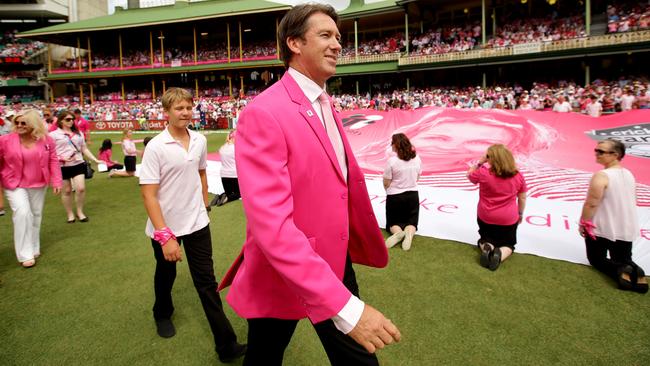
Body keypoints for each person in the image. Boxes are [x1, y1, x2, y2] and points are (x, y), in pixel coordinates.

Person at [219, 4, 401, 365]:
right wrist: (347, 308)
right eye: (325, 35)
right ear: (294, 43)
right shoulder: (264, 112)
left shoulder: (325, 103)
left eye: (338, 37)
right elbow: (272, 225)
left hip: (335, 261)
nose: (337, 44)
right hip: (282, 269)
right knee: (265, 357)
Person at [139, 87, 246, 363]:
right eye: (179, 108)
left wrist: (202, 205)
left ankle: (226, 345)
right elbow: (149, 194)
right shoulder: (155, 146)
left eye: (188, 107)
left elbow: (200, 173)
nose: (185, 113)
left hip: (197, 222)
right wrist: (165, 236)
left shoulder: (198, 140)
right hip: (167, 228)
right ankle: (161, 313)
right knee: (166, 274)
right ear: (166, 112)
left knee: (206, 283)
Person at [579, 139, 647, 293]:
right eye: (596, 150)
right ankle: (636, 272)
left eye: (601, 151)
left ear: (615, 155)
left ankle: (622, 269)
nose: (596, 154)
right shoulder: (628, 174)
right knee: (624, 258)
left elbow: (591, 203)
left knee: (596, 259)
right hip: (626, 226)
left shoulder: (601, 175)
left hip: (601, 226)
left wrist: (584, 223)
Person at [0, 109, 62, 267]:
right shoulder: (5, 140)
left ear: (33, 124)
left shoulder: (46, 140)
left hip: (38, 182)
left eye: (23, 123)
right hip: (13, 183)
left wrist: (57, 181)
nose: (19, 126)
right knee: (22, 213)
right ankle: (25, 254)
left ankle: (34, 247)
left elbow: (53, 160)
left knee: (35, 214)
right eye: (17, 123)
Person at [467, 144, 527, 271]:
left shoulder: (483, 173)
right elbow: (522, 198)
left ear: (491, 159)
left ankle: (487, 247)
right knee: (509, 245)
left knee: (484, 239)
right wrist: (520, 214)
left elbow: (469, 175)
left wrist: (479, 162)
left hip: (486, 216)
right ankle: (499, 254)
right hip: (508, 219)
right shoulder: (518, 176)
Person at [49, 110, 101, 223]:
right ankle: (70, 214)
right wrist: (61, 158)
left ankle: (80, 211)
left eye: (72, 119)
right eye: (68, 119)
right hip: (61, 166)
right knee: (66, 191)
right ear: (61, 121)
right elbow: (49, 153)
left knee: (81, 188)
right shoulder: (53, 135)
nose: (71, 121)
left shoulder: (78, 133)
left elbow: (84, 148)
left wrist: (95, 159)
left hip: (78, 163)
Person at [383, 133, 421, 251]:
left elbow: (386, 182)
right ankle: (409, 234)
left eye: (392, 143)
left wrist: (388, 190)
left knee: (393, 222)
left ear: (396, 145)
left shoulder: (392, 161)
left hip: (395, 196)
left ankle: (398, 233)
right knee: (412, 222)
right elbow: (417, 177)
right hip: (413, 195)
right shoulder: (417, 158)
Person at [211, 130, 239, 207]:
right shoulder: (236, 148)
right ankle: (227, 198)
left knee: (229, 192)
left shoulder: (222, 148)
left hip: (224, 175)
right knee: (239, 193)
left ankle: (220, 196)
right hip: (234, 175)